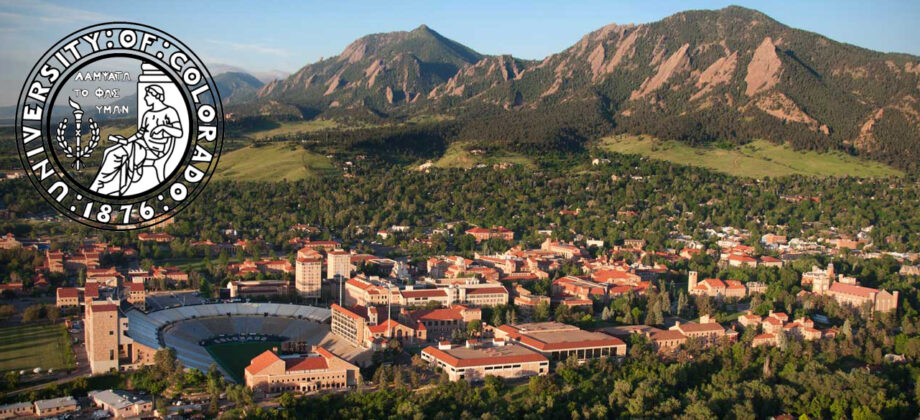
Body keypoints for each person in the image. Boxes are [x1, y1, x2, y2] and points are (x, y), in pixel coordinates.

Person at [90, 84, 184, 195]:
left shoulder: (170, 112)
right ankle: (105, 185)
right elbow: (140, 133)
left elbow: (179, 132)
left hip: (154, 150)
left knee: (114, 154)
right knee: (108, 151)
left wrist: (163, 127)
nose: (145, 98)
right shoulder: (148, 114)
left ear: (155, 96)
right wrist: (127, 141)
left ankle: (100, 185)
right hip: (141, 145)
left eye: (147, 96)